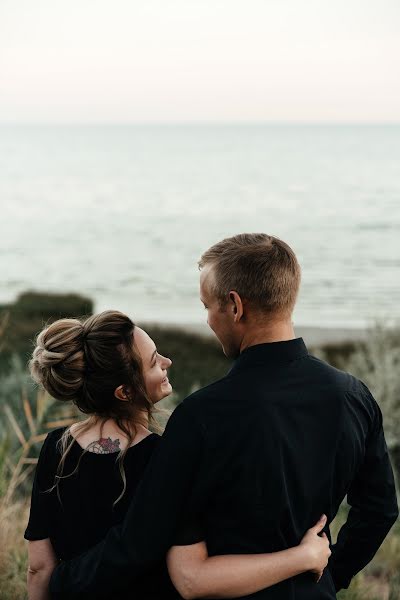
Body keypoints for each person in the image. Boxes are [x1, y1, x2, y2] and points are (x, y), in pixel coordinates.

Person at [49, 234, 399, 600]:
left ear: (235, 306)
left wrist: (63, 582)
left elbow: (139, 542)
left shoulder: (200, 416)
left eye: (207, 307)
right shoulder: (353, 397)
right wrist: (327, 576)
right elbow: (379, 511)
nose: (209, 321)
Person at [25, 310, 331, 600]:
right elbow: (191, 571)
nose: (168, 361)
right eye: (155, 361)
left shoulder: (55, 448)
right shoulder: (163, 455)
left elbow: (39, 567)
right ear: (125, 392)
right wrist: (302, 557)